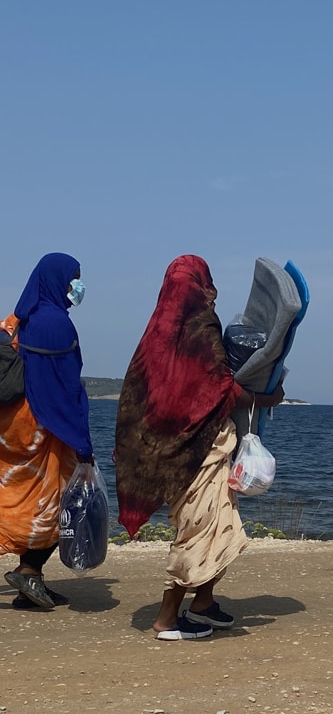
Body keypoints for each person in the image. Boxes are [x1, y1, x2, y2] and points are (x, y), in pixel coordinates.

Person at [113, 254, 284, 640]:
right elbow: (211, 389)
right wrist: (267, 397)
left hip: (175, 450)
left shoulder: (158, 332)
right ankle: (167, 618)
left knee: (220, 526)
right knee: (200, 531)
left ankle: (203, 601)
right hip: (197, 451)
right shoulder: (200, 326)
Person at [0, 252, 94, 609]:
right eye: (74, 279)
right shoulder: (55, 324)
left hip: (10, 429)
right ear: (57, 281)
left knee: (13, 499)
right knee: (59, 502)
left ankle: (30, 577)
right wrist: (81, 442)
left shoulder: (16, 320)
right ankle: (29, 571)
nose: (78, 287)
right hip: (42, 426)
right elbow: (60, 389)